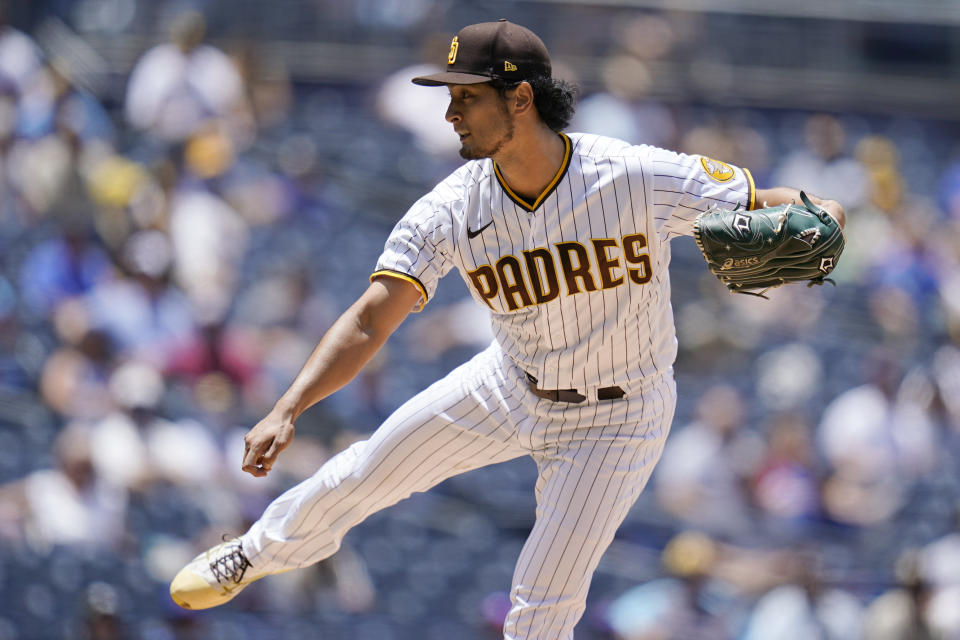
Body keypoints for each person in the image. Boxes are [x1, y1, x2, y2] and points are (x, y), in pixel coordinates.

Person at [169, 19, 845, 639]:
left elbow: (779, 202)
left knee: (542, 607)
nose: (451, 111)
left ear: (519, 99)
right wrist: (290, 406)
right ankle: (252, 553)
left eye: (468, 96)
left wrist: (827, 214)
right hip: (510, 385)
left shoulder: (634, 175)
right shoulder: (452, 208)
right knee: (366, 472)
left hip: (619, 418)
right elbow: (373, 317)